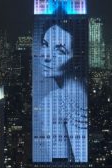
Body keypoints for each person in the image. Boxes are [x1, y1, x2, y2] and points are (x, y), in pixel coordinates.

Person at [37, 23, 88, 162]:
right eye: (45, 44)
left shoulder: (51, 103)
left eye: (60, 51)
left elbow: (60, 162)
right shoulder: (86, 91)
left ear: (77, 58)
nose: (46, 56)